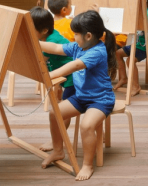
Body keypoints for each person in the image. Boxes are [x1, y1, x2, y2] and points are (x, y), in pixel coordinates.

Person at [39, 11, 117, 181]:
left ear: (88, 36)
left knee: (86, 126)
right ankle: (58, 151)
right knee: (54, 113)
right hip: (81, 97)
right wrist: (35, 42)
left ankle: (88, 165)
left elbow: (74, 66)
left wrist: (48, 75)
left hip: (100, 100)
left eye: (75, 33)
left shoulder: (97, 51)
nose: (73, 37)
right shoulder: (78, 47)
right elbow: (56, 48)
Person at [30, 7, 75, 152]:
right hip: (67, 75)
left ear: (44, 30)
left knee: (64, 111)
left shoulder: (51, 41)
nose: (29, 32)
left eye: (31, 29)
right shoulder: (46, 36)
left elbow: (39, 62)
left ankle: (56, 141)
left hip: (74, 77)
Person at [115, 0, 148, 95]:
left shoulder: (147, 14)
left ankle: (136, 86)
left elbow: (135, 26)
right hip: (138, 45)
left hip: (146, 46)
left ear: (145, 0)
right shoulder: (141, 10)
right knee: (117, 53)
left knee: (130, 60)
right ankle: (123, 78)